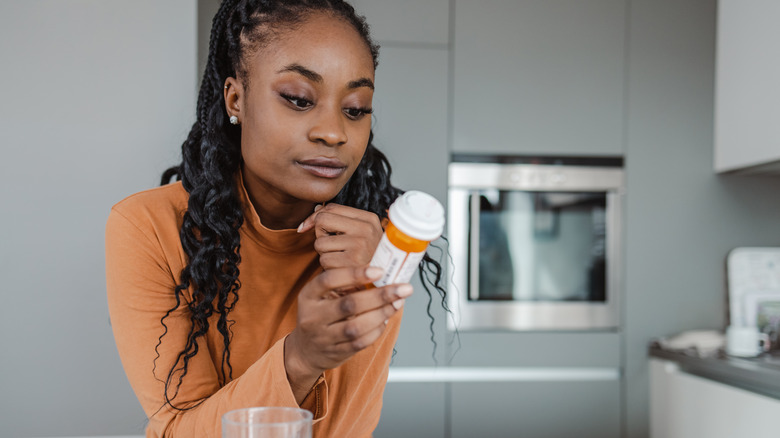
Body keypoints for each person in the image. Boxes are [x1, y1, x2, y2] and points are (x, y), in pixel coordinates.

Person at [105, 1, 445, 436]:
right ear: (236, 99)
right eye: (299, 99)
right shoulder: (149, 227)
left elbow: (348, 428)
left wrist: (372, 280)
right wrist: (300, 359)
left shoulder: (377, 246)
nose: (334, 132)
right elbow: (179, 430)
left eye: (356, 108)